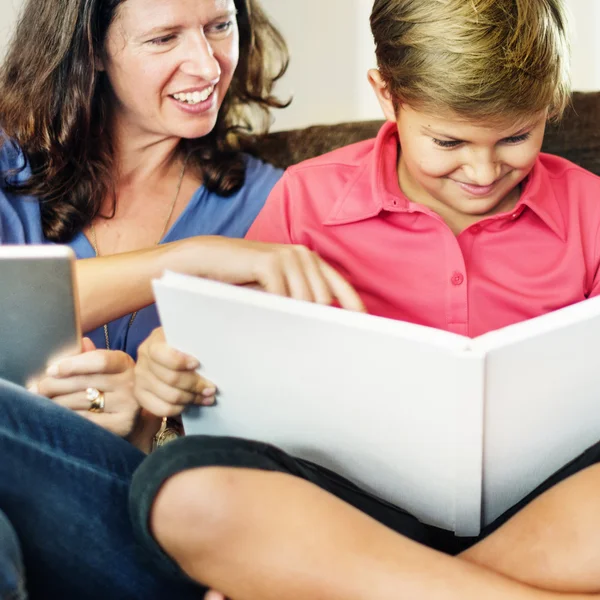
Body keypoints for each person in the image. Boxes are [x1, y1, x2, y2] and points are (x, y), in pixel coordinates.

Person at [128, 0, 600, 598]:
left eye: (515, 136)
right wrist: (175, 363)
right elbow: (222, 349)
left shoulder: (592, 209)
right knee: (179, 487)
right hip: (349, 509)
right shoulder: (308, 199)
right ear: (386, 95)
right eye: (449, 141)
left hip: (547, 508)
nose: (482, 171)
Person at [0, 0, 363, 597]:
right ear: (91, 48)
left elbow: (284, 436)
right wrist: (186, 258)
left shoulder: (273, 206)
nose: (206, 64)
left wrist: (148, 420)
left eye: (219, 27)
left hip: (148, 527)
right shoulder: (9, 169)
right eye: (164, 38)